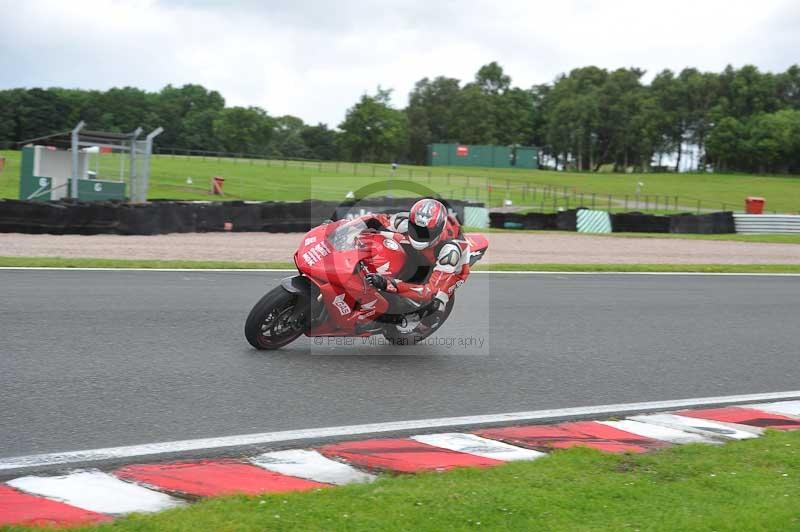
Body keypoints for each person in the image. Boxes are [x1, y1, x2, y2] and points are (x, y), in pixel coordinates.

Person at [359, 198, 471, 314]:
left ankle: (420, 326)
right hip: (423, 252)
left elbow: (429, 291)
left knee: (436, 304)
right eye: (416, 229)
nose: (419, 235)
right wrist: (347, 226)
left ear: (438, 230)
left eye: (426, 232)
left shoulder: (449, 250)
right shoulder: (404, 220)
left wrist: (388, 284)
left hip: (450, 269)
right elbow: (375, 219)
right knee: (376, 234)